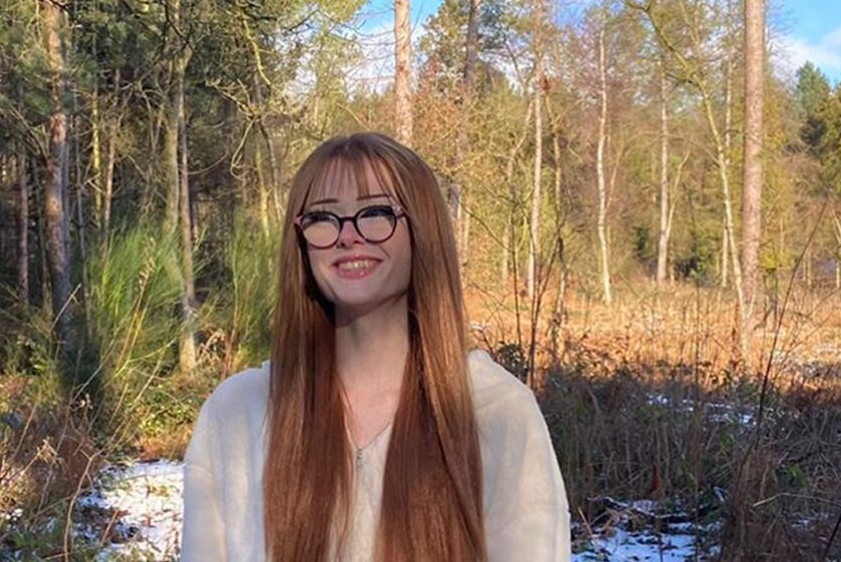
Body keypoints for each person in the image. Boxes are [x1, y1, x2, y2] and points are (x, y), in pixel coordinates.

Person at [182, 132, 569, 562]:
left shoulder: (496, 412)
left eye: (376, 212)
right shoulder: (237, 415)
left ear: (422, 230)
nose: (348, 236)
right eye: (324, 218)